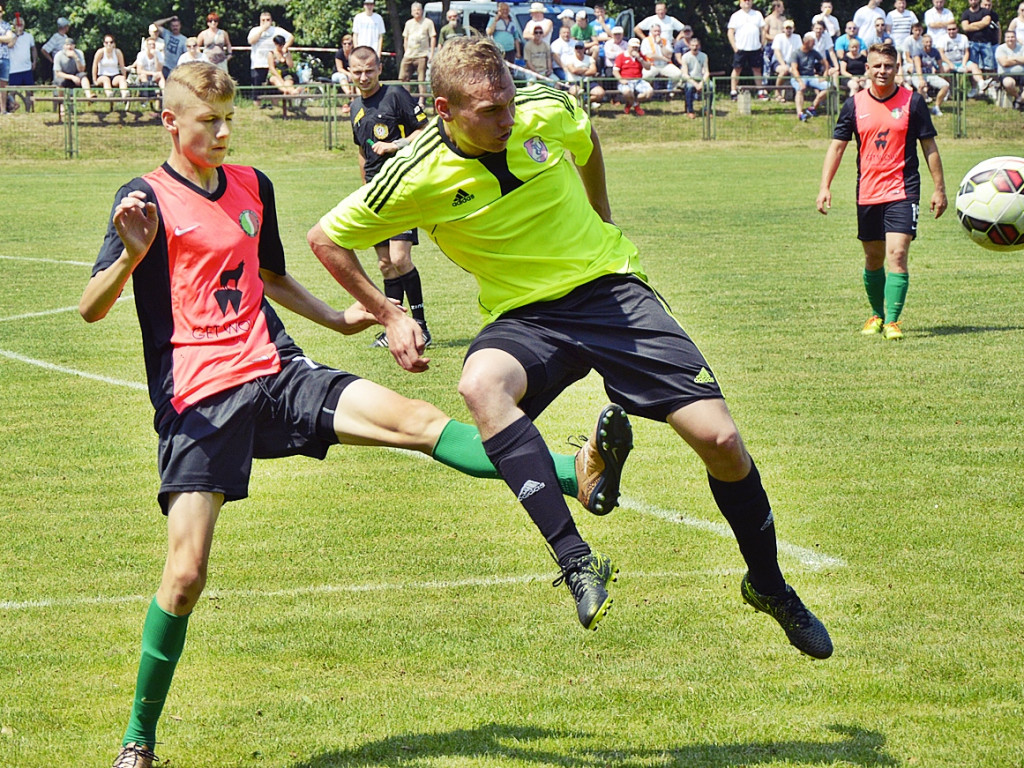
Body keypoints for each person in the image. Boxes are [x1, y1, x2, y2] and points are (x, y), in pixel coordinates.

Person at [87, 61, 628, 768]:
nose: (222, 134)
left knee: (419, 424)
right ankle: (138, 738)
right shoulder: (143, 199)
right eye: (208, 122)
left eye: (229, 120)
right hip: (199, 399)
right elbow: (91, 307)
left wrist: (340, 319)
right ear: (170, 122)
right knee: (185, 578)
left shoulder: (252, 184)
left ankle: (574, 472)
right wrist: (129, 258)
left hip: (276, 371)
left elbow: (270, 275)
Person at [309, 37, 834, 660]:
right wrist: (389, 313)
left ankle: (769, 586)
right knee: (480, 385)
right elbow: (325, 239)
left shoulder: (546, 106)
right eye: (489, 111)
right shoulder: (414, 172)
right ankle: (576, 561)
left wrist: (601, 213)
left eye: (509, 101)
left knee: (720, 440)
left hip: (610, 290)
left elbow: (586, 142)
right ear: (444, 110)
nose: (507, 118)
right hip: (525, 316)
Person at [817, 42, 947, 342]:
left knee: (897, 254)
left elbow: (929, 147)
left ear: (897, 68)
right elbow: (837, 148)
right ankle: (876, 314)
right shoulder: (854, 105)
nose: (882, 71)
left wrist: (939, 189)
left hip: (903, 190)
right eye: (877, 65)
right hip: (868, 192)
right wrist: (825, 186)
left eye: (888, 66)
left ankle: (892, 321)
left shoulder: (913, 102)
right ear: (867, 69)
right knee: (873, 258)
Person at [347, 46, 433, 347]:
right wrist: (364, 187)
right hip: (374, 194)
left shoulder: (395, 94)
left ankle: (420, 325)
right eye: (358, 72)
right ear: (349, 72)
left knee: (399, 258)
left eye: (369, 70)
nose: (364, 77)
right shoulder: (355, 107)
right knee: (385, 264)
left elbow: (425, 130)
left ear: (379, 69)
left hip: (399, 188)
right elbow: (361, 152)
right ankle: (393, 327)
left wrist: (396, 145)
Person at [940, 21, 992, 97]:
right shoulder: (943, 38)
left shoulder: (963, 37)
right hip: (948, 62)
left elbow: (967, 52)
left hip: (962, 61)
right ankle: (948, 90)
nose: (951, 31)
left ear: (957, 29)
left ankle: (981, 83)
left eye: (953, 29)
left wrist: (964, 64)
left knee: (974, 66)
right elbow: (941, 53)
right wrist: (950, 64)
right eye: (949, 29)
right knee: (944, 69)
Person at [727, 0, 765, 99]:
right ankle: (733, 92)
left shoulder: (758, 14)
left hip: (755, 48)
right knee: (737, 69)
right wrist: (734, 47)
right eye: (745, 0)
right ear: (740, 3)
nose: (747, 2)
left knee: (757, 69)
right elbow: (730, 32)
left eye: (749, 0)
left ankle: (760, 91)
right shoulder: (736, 16)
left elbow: (763, 30)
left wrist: (762, 44)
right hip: (740, 48)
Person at [248, 10, 292, 89]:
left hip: (274, 64)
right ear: (260, 21)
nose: (265, 22)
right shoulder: (255, 30)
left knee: (274, 89)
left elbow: (291, 37)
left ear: (271, 21)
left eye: (268, 20)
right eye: (263, 20)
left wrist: (285, 47)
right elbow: (251, 41)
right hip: (258, 64)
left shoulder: (277, 30)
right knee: (257, 89)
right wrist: (262, 30)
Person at [401, 2, 435, 104]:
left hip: (422, 55)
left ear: (422, 11)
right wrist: (406, 50)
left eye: (418, 10)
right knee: (403, 77)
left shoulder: (428, 22)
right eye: (415, 10)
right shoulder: (408, 23)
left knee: (421, 79)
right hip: (409, 54)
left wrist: (431, 53)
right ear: (411, 12)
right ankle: (406, 99)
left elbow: (433, 37)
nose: (417, 12)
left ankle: (421, 101)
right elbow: (405, 38)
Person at [791, 32, 830, 120]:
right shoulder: (796, 53)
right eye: (812, 43)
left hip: (811, 76)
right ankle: (800, 113)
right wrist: (800, 82)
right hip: (799, 76)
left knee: (829, 86)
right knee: (800, 89)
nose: (814, 45)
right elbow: (794, 69)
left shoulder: (814, 52)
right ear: (806, 43)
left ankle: (813, 107)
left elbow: (825, 63)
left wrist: (825, 75)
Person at [960, 0, 1000, 76]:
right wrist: (980, 24)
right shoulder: (966, 13)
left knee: (989, 66)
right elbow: (965, 27)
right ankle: (977, 83)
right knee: (974, 66)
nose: (973, 1)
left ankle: (990, 82)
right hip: (972, 43)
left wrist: (971, 25)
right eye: (971, 0)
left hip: (986, 42)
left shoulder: (985, 12)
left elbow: (986, 22)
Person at [614, 37, 653, 113]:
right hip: (626, 80)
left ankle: (631, 103)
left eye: (636, 47)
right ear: (628, 46)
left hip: (638, 80)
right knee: (627, 92)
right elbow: (615, 71)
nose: (634, 49)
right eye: (633, 47)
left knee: (649, 92)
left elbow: (648, 67)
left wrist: (640, 59)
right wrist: (621, 79)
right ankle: (636, 106)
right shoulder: (621, 56)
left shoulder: (641, 56)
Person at [7, 12, 36, 112]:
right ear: (14, 26)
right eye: (17, 25)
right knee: (12, 91)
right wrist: (16, 35)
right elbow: (10, 45)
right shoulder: (10, 36)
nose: (19, 27)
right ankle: (12, 109)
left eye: (21, 25)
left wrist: (34, 61)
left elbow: (33, 49)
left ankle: (29, 110)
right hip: (14, 69)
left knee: (29, 91)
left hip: (26, 68)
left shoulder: (29, 36)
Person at [640, 23, 682, 89]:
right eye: (655, 31)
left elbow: (669, 55)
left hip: (665, 65)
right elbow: (649, 55)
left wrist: (661, 45)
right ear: (651, 32)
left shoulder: (665, 40)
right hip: (652, 65)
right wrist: (663, 58)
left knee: (678, 74)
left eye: (659, 31)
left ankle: (672, 91)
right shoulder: (646, 41)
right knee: (646, 76)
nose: (657, 33)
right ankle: (648, 90)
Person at [918, 33, 951, 113]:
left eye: (930, 42)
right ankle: (921, 109)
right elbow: (917, 67)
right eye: (926, 42)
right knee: (921, 87)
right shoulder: (918, 51)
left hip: (930, 74)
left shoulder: (935, 51)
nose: (929, 44)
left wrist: (942, 77)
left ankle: (936, 107)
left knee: (945, 85)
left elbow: (940, 65)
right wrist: (921, 79)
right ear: (923, 43)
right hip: (918, 74)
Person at [563, 39, 605, 104]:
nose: (578, 50)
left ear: (584, 49)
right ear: (574, 49)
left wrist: (579, 70)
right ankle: (583, 105)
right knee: (575, 91)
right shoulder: (569, 58)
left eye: (580, 48)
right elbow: (573, 70)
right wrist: (585, 69)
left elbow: (593, 71)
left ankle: (585, 102)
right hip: (574, 82)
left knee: (600, 93)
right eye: (577, 48)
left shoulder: (590, 58)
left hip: (588, 82)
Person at [679, 36, 710, 117]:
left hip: (701, 79)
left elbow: (707, 72)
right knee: (689, 87)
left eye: (696, 45)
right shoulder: (685, 57)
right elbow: (685, 74)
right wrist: (695, 84)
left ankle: (707, 109)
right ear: (689, 46)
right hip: (689, 79)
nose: (694, 47)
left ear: (699, 46)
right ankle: (690, 111)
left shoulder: (704, 56)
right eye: (692, 45)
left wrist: (701, 83)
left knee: (711, 86)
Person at [771, 20, 801, 95]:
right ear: (783, 29)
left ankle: (798, 93)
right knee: (784, 71)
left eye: (790, 28)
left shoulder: (797, 37)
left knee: (796, 71)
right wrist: (783, 65)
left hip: (792, 62)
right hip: (778, 61)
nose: (788, 30)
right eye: (787, 28)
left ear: (793, 29)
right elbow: (777, 52)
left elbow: (799, 52)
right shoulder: (778, 37)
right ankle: (777, 92)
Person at [762, 0, 787, 87]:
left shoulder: (783, 19)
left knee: (781, 64)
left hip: (781, 47)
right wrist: (776, 38)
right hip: (770, 45)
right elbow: (765, 34)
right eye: (782, 7)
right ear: (776, 7)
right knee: (767, 66)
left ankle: (781, 86)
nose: (783, 9)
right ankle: (765, 86)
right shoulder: (768, 19)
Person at [996, 28, 1024, 107]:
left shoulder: (1022, 48)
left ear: (1015, 38)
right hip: (1006, 74)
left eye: (1012, 37)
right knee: (1008, 83)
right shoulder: (1000, 48)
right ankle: (1017, 97)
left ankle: (1020, 101)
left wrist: (1011, 58)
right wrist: (1019, 60)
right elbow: (1004, 63)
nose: (1010, 39)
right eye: (1008, 37)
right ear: (1005, 39)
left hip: (1022, 74)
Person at [333, 34, 355, 114]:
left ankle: (353, 101)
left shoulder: (354, 54)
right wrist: (348, 74)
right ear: (342, 44)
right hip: (337, 74)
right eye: (344, 43)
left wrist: (351, 74)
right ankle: (348, 93)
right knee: (342, 76)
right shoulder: (339, 53)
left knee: (355, 78)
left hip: (351, 75)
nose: (347, 45)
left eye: (349, 43)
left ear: (352, 44)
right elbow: (339, 68)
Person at [0, 4, 12, 115]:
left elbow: (9, 38)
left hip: (4, 57)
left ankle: (3, 110)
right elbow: (6, 38)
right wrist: (3, 38)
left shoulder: (6, 25)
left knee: (3, 86)